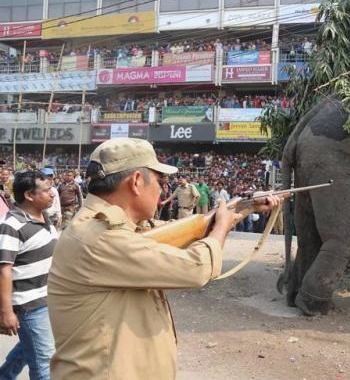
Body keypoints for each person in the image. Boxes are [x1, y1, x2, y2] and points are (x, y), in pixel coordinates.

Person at [47, 138, 283, 380]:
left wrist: (243, 208)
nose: (162, 189)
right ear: (137, 181)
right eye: (160, 181)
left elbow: (182, 230)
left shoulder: (113, 228)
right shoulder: (98, 236)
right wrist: (221, 226)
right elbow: (196, 267)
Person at [0, 171, 57, 380]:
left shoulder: (44, 217)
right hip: (29, 304)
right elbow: (3, 270)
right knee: (45, 361)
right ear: (29, 196)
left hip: (47, 297)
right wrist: (6, 312)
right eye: (46, 191)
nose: (52, 194)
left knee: (27, 348)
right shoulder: (11, 225)